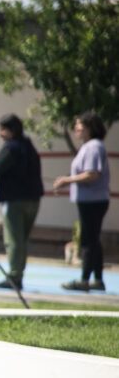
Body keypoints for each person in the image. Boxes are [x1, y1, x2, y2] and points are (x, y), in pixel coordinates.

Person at [0, 114, 44, 289]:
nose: (0, 133)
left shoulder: (11, 148)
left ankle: (15, 276)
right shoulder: (29, 146)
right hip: (34, 199)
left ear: (12, 130)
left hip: (15, 200)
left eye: (2, 129)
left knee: (14, 239)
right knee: (22, 239)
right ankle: (18, 274)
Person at [54, 111, 111, 291]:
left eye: (80, 125)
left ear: (90, 128)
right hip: (92, 200)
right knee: (93, 239)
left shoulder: (93, 147)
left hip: (93, 201)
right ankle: (98, 280)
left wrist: (66, 180)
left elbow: (92, 174)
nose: (76, 128)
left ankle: (85, 279)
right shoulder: (89, 146)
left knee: (88, 239)